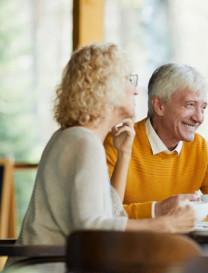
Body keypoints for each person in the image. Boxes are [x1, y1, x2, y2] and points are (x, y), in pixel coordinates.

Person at [9, 44, 196, 260]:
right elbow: (91, 228)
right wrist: (164, 225)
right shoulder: (83, 142)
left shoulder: (74, 137)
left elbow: (108, 212)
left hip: (51, 268)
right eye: (129, 80)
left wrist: (124, 153)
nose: (136, 90)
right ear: (108, 87)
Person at [104, 63, 208, 221]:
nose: (199, 118)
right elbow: (103, 215)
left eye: (203, 107)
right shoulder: (118, 142)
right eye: (190, 105)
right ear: (159, 106)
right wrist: (159, 209)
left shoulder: (201, 149)